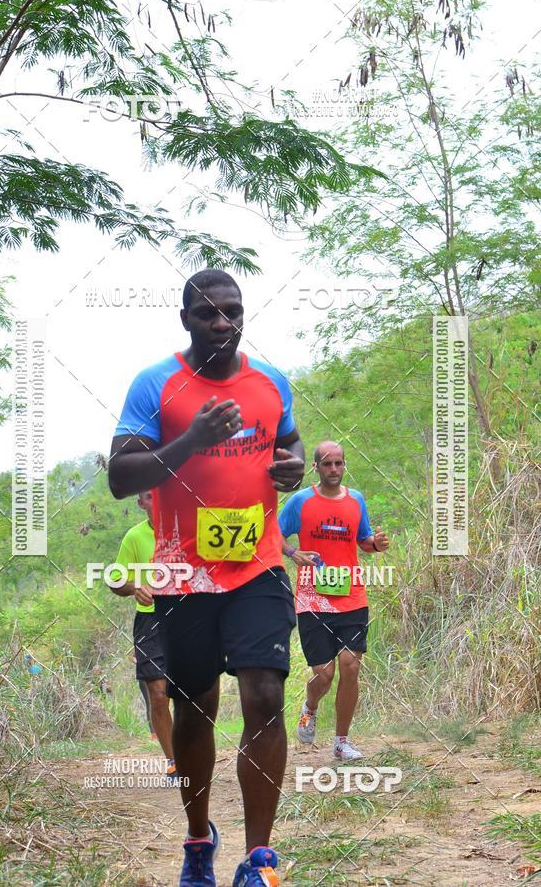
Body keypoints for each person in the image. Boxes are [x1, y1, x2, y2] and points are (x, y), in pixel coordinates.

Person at [109, 268, 304, 887]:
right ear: (186, 319)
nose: (222, 322)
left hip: (259, 566)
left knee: (267, 698)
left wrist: (291, 470)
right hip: (182, 572)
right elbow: (121, 476)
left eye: (232, 311)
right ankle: (199, 841)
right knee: (195, 710)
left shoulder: (270, 383)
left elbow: (289, 446)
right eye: (208, 313)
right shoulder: (156, 384)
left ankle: (260, 859)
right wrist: (189, 439)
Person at [278, 440, 389, 761]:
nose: (334, 470)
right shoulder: (301, 501)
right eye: (327, 464)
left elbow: (364, 541)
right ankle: (309, 706)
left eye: (339, 463)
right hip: (313, 600)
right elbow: (274, 533)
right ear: (316, 467)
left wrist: (376, 544)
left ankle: (341, 741)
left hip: (352, 595)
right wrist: (293, 553)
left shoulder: (356, 500)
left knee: (350, 666)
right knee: (324, 674)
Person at [110, 490, 178, 785]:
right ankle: (174, 762)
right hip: (150, 619)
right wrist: (134, 585)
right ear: (140, 503)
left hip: (188, 615)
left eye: (161, 494)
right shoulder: (134, 537)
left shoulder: (186, 528)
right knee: (158, 694)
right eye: (149, 497)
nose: (157, 501)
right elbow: (115, 580)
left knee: (191, 695)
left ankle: (195, 753)